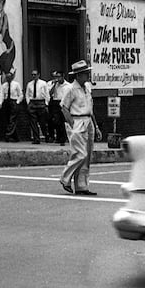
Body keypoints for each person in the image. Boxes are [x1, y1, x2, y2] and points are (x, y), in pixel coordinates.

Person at [59, 60, 99, 195]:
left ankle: (82, 186)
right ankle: (65, 178)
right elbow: (64, 108)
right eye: (85, 74)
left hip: (88, 121)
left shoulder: (86, 88)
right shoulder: (70, 89)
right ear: (78, 76)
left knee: (87, 157)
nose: (87, 76)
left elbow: (90, 109)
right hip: (77, 120)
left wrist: (96, 126)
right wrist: (72, 124)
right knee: (80, 154)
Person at [25, 69, 50, 145]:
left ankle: (46, 135)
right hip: (33, 102)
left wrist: (46, 103)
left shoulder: (43, 83)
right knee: (33, 122)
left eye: (35, 75)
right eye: (32, 75)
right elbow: (27, 94)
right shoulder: (29, 84)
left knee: (42, 122)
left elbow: (47, 94)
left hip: (41, 102)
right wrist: (28, 103)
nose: (33, 76)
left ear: (38, 75)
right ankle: (36, 139)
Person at [0, 69, 23, 141]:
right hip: (7, 102)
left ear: (12, 77)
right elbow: (1, 94)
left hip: (13, 101)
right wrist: (0, 103)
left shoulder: (16, 84)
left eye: (9, 77)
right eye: (7, 77)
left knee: (12, 119)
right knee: (8, 119)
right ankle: (16, 137)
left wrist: (17, 102)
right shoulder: (4, 85)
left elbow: (20, 95)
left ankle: (8, 135)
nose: (8, 79)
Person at [46, 69, 68, 145]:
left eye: (59, 77)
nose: (58, 79)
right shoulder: (55, 85)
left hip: (64, 103)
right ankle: (59, 137)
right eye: (56, 77)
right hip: (56, 103)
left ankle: (62, 138)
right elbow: (49, 93)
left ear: (63, 77)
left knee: (63, 121)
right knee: (56, 121)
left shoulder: (68, 85)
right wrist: (54, 85)